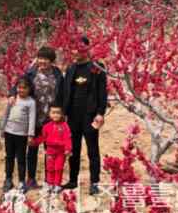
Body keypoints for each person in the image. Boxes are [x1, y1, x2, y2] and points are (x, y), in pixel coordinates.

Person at [9, 46, 64, 189]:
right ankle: (31, 179)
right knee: (32, 149)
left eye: (46, 59)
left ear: (51, 61)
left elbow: (63, 94)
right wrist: (12, 94)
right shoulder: (31, 73)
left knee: (51, 150)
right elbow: (18, 84)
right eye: (40, 58)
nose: (42, 61)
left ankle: (49, 180)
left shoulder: (57, 74)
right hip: (34, 118)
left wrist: (62, 113)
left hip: (51, 118)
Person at [61, 36, 107, 195]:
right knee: (73, 149)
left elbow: (102, 92)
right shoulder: (71, 68)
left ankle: (94, 182)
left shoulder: (96, 67)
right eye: (73, 48)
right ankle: (73, 180)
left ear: (86, 49)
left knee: (92, 149)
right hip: (73, 116)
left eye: (79, 48)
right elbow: (66, 92)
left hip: (90, 115)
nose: (75, 51)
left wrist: (100, 112)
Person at [0, 77, 36, 192]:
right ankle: (8, 179)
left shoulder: (31, 102)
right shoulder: (13, 99)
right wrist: (2, 129)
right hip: (9, 132)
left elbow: (32, 119)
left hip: (22, 135)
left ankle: (21, 181)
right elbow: (6, 114)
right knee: (9, 157)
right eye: (19, 87)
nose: (21, 90)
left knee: (21, 158)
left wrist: (30, 134)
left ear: (29, 89)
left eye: (24, 88)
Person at [30, 104, 72, 193]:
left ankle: (57, 184)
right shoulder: (47, 127)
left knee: (58, 168)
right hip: (50, 152)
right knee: (50, 168)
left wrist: (68, 149)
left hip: (60, 153)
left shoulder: (64, 126)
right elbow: (43, 137)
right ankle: (50, 183)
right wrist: (35, 142)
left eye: (58, 113)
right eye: (53, 113)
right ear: (49, 114)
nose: (56, 115)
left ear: (62, 114)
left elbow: (67, 138)